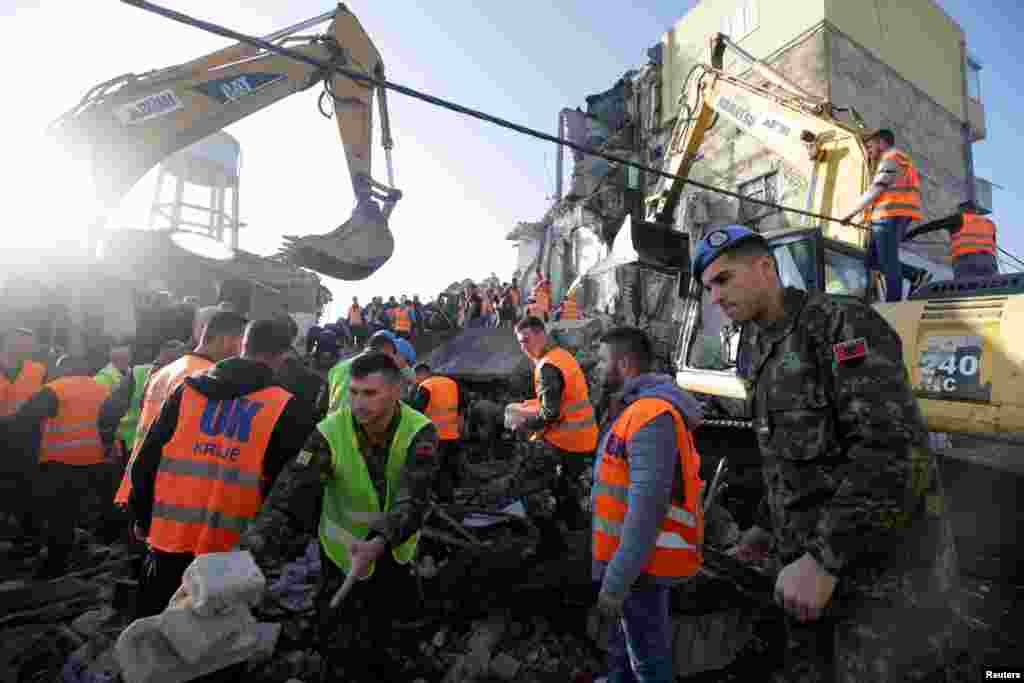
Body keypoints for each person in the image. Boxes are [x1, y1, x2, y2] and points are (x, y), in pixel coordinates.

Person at [693, 225, 958, 681]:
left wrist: (824, 560)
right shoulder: (756, 346)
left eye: (723, 279)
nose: (714, 297)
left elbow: (892, 451)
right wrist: (763, 525)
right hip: (808, 581)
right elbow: (782, 454)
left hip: (882, 588)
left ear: (764, 268)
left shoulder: (842, 325)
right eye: (708, 287)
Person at [240, 352, 439, 682]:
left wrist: (380, 541)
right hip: (340, 555)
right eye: (354, 392)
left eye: (370, 394)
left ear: (395, 392)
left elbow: (414, 499)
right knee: (338, 640)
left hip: (394, 552)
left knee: (391, 634)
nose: (359, 403)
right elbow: (291, 492)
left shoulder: (420, 432)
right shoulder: (329, 432)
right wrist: (256, 544)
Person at [128, 319, 315, 618]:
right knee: (212, 643)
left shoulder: (187, 392)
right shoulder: (287, 408)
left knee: (156, 632)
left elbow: (148, 458)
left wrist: (141, 513)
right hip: (231, 552)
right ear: (282, 356)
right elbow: (289, 491)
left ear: (243, 345)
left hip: (169, 537)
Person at [592, 327, 705, 683]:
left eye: (601, 360)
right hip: (633, 563)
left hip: (642, 567)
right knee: (628, 650)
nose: (595, 368)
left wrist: (616, 580)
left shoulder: (652, 416)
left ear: (624, 364)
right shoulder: (636, 410)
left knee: (648, 662)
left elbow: (647, 510)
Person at [113, 312, 248, 507]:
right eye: (242, 344)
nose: (243, 353)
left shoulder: (168, 370)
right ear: (226, 340)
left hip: (140, 484)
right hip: (169, 491)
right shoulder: (205, 378)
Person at [2, 356, 115, 577]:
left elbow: (23, 420)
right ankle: (81, 552)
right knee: (81, 513)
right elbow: (109, 421)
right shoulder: (101, 388)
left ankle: (55, 566)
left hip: (61, 463)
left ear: (61, 370)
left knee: (59, 517)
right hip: (95, 461)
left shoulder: (55, 389)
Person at [513, 316, 598, 530]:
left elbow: (550, 414)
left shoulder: (547, 367)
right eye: (520, 343)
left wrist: (523, 424)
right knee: (565, 486)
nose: (523, 347)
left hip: (567, 440)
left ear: (541, 335)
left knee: (526, 482)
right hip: (584, 436)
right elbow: (561, 399)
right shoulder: (562, 356)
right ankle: (573, 525)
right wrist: (530, 406)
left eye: (526, 340)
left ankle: (548, 538)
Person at [840, 129, 927, 302]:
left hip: (890, 216)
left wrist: (850, 213)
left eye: (870, 146)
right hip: (885, 218)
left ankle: (892, 305)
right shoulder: (892, 160)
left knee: (888, 263)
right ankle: (914, 274)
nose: (868, 150)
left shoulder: (892, 157)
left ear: (882, 142)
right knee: (871, 260)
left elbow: (877, 188)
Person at [412, 363, 465, 502]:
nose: (415, 381)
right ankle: (449, 500)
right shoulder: (452, 383)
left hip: (433, 437)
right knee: (447, 470)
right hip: (452, 435)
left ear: (421, 374)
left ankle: (435, 503)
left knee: (431, 471)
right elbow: (461, 408)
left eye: (415, 377)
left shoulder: (426, 385)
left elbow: (416, 411)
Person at [905, 200, 998, 280]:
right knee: (990, 289)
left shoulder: (959, 218)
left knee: (965, 291)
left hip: (967, 261)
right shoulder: (989, 223)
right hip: (989, 262)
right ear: (976, 211)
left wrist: (909, 234)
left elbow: (934, 225)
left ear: (963, 210)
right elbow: (992, 245)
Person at [324, 330, 404, 414]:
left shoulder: (337, 368)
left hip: (331, 422)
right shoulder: (379, 371)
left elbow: (326, 402)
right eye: (390, 355)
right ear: (385, 351)